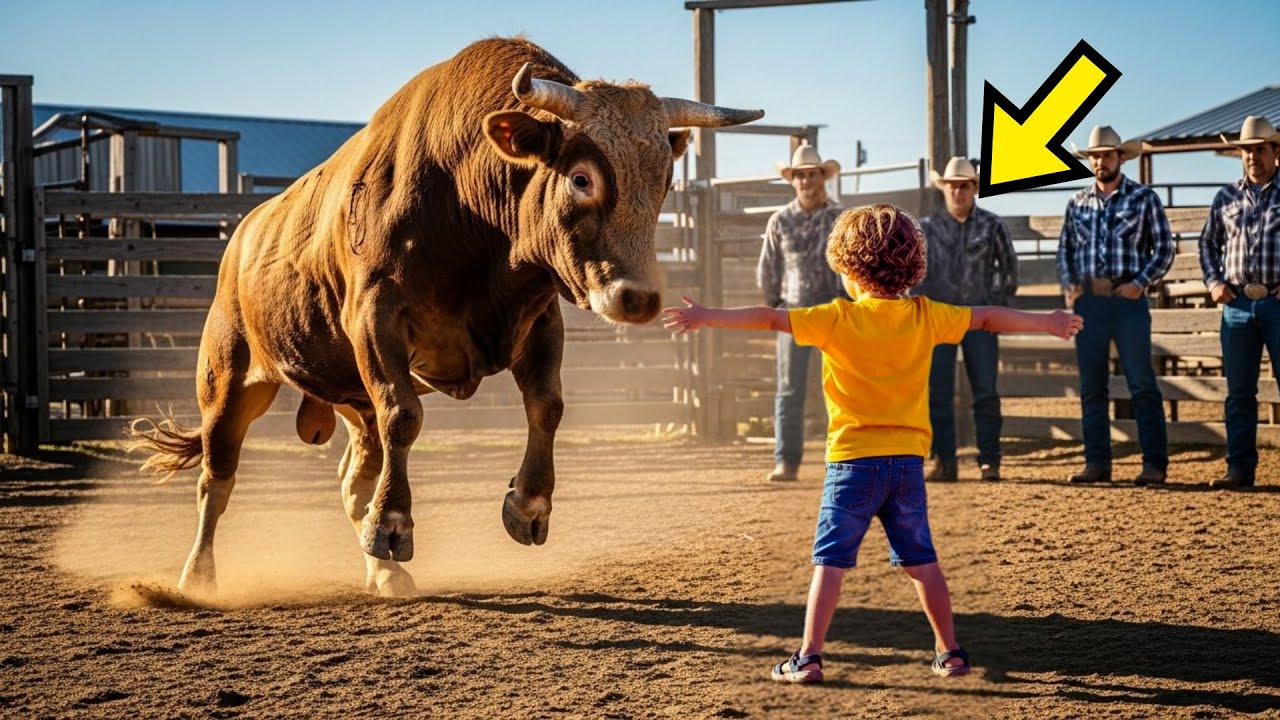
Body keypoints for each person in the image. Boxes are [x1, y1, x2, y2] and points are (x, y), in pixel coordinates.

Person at [663, 204, 1082, 683]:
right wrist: (1048, 321)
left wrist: (705, 316)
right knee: (923, 563)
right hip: (906, 465)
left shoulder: (835, 318)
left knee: (830, 564)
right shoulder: (926, 315)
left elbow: (768, 318)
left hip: (852, 466)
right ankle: (950, 652)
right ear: (912, 264)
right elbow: (987, 317)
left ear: (849, 268)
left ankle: (808, 657)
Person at [1056, 125, 1174, 486]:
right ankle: (1097, 463)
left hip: (1127, 300)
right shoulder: (1077, 202)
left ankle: (1154, 464)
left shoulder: (1143, 198)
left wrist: (1140, 283)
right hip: (1089, 303)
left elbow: (1164, 249)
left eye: (1107, 155)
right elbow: (1065, 249)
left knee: (1141, 382)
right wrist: (1069, 283)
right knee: (1092, 385)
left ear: (1121, 157)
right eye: (1095, 156)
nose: (1100, 162)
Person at [914, 156, 1019, 482]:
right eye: (952, 186)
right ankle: (944, 460)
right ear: (944, 188)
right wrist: (924, 310)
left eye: (964, 186)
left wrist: (994, 305)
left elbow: (1009, 269)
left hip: (980, 317)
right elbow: (916, 274)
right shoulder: (928, 228)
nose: (957, 192)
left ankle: (989, 461)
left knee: (985, 391)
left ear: (974, 188)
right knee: (938, 392)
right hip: (941, 318)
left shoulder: (992, 225)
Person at [1198, 115, 1280, 489]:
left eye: (1259, 149)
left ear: (1274, 151)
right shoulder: (1226, 196)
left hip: (1277, 300)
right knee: (1239, 392)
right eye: (1246, 150)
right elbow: (1207, 243)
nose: (1252, 157)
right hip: (1237, 304)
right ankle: (1239, 469)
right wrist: (1214, 281)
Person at [757, 143, 846, 483]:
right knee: (789, 388)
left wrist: (850, 306)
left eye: (812, 174)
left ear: (823, 178)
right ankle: (786, 461)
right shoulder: (780, 221)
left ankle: (841, 461)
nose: (806, 181)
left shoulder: (840, 218)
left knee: (839, 388)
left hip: (834, 312)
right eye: (800, 176)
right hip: (793, 313)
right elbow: (769, 268)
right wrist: (775, 307)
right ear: (793, 181)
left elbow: (852, 264)